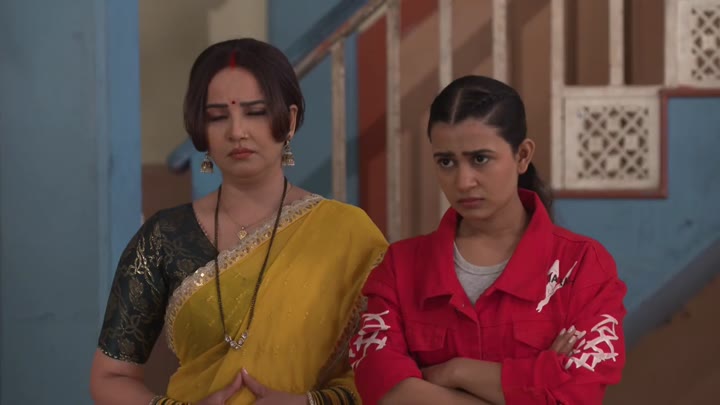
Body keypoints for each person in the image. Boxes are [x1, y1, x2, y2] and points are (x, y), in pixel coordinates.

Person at [90, 38, 387, 405]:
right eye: (218, 116)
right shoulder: (164, 237)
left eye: (255, 112)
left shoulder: (348, 233)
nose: (237, 131)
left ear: (290, 120)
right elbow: (110, 376)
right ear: (200, 128)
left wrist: (309, 403)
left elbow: (385, 369)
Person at [350, 75, 627, 405]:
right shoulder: (400, 268)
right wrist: (534, 382)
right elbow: (384, 388)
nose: (463, 181)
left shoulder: (581, 266)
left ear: (522, 155)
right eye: (446, 162)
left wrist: (455, 371)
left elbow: (578, 393)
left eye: (480, 159)